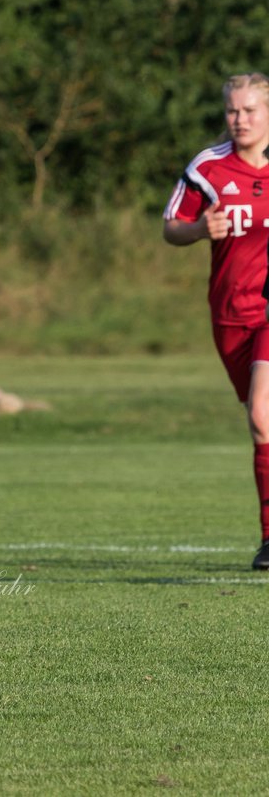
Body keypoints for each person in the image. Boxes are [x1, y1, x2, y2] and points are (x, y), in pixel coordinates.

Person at [164, 72, 269, 570]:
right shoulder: (209, 167)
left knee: (261, 415)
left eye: (250, 110)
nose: (240, 119)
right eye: (233, 110)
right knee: (263, 424)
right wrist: (198, 229)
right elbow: (170, 229)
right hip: (230, 315)